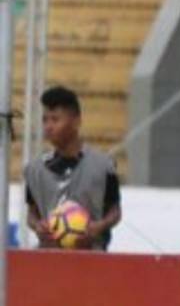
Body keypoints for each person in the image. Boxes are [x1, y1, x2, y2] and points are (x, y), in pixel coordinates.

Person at [24, 85, 122, 251]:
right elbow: (32, 213)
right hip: (49, 258)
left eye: (55, 119)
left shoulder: (103, 165)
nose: (48, 126)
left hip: (93, 258)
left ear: (76, 121)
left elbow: (115, 210)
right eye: (45, 120)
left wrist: (100, 226)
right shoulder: (35, 169)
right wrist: (37, 225)